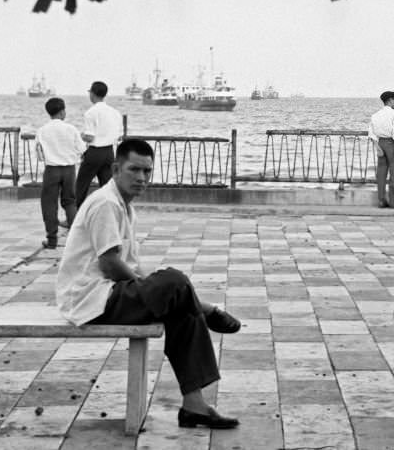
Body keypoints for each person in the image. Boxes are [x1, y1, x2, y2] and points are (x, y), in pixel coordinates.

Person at [56, 139, 241, 429]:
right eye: (134, 170)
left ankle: (194, 406)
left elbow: (130, 265)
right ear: (116, 169)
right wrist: (151, 286)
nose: (141, 178)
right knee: (175, 280)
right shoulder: (105, 203)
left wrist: (151, 288)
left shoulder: (124, 206)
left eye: (147, 171)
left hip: (112, 294)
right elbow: (110, 264)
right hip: (92, 299)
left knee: (180, 305)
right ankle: (205, 308)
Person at [35, 97, 86, 249]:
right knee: (69, 201)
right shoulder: (71, 129)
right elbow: (82, 149)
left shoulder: (42, 130)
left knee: (49, 203)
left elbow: (39, 155)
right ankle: (77, 239)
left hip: (51, 169)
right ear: (63, 111)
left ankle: (52, 240)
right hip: (69, 169)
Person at [75, 81, 124, 208]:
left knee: (81, 185)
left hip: (95, 152)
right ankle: (112, 212)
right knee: (108, 187)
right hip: (109, 152)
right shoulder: (115, 113)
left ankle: (74, 217)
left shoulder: (91, 113)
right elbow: (119, 134)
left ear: (92, 94)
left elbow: (90, 137)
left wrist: (81, 136)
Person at [367, 90, 394, 208]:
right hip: (392, 144)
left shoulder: (375, 115)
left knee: (381, 174)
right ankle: (392, 202)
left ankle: (381, 200)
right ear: (390, 100)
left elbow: (371, 133)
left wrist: (377, 147)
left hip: (380, 143)